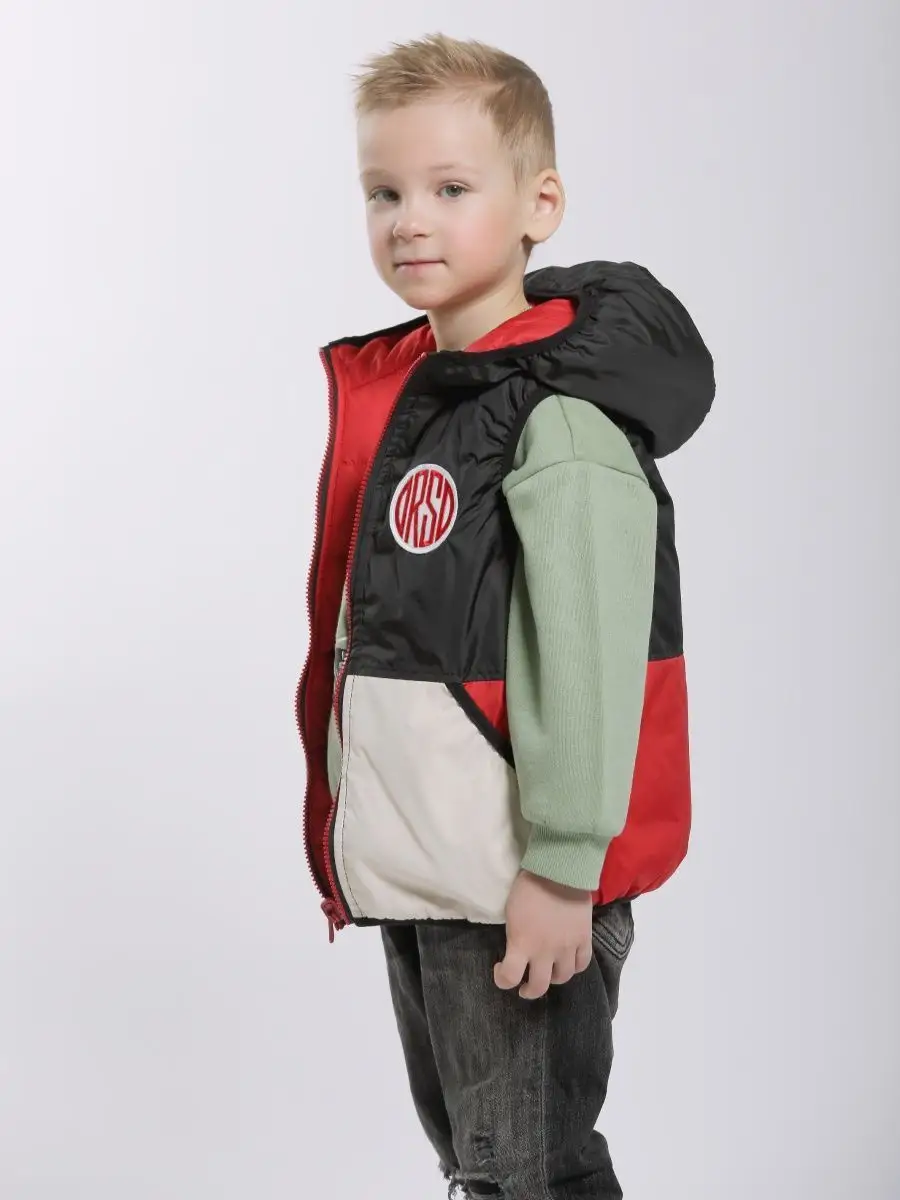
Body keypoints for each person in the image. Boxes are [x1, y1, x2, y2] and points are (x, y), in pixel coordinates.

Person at [295, 31, 715, 1199]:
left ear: (540, 205)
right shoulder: (424, 403)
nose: (408, 222)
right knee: (480, 1166)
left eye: (449, 188)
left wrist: (566, 869)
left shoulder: (559, 420)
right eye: (383, 192)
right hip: (436, 868)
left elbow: (593, 654)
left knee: (530, 1171)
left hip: (518, 878)